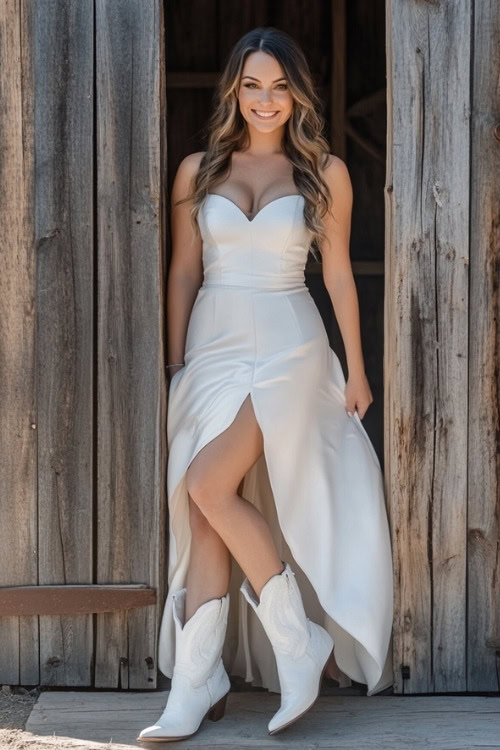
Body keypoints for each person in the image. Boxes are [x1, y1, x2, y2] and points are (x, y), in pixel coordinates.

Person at [137, 26, 393, 744]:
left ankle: (299, 641)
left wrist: (359, 367)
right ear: (234, 92)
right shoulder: (197, 170)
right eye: (253, 85)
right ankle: (197, 680)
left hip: (291, 342)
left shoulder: (324, 172)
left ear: (296, 94)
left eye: (279, 86)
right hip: (212, 345)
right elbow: (185, 268)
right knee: (202, 503)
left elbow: (338, 272)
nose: (266, 100)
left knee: (207, 485)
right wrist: (176, 360)